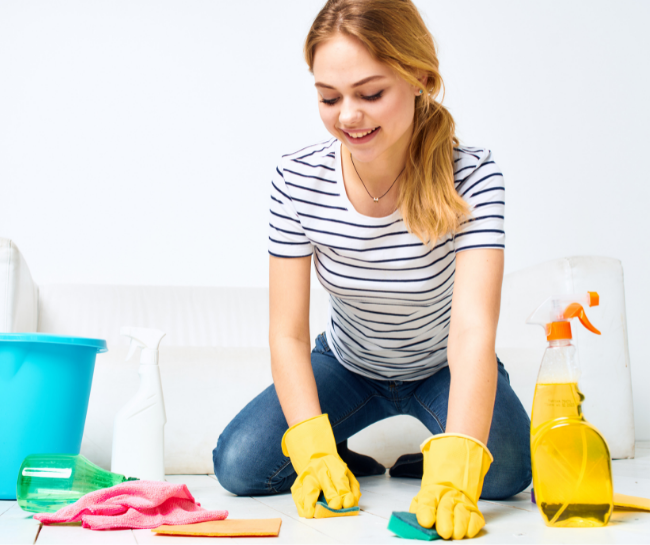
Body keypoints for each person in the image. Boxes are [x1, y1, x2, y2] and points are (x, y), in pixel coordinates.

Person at [214, 0, 531, 539]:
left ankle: (427, 457)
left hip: (443, 369)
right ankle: (343, 452)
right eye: (328, 97)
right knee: (239, 465)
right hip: (348, 365)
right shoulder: (296, 181)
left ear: (421, 80)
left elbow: (473, 331)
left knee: (506, 473)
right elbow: (287, 333)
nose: (348, 116)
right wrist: (312, 449)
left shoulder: (474, 176)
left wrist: (457, 468)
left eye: (371, 93)